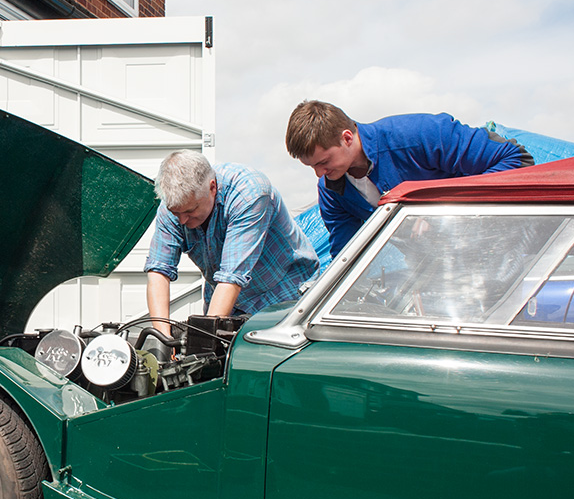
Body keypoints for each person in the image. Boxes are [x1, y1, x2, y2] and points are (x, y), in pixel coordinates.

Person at [286, 101, 534, 258]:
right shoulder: (332, 190)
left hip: (504, 251)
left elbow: (516, 159)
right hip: (437, 267)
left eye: (323, 162)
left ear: (347, 138)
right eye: (311, 167)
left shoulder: (418, 135)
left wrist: (441, 210)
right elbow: (347, 252)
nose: (319, 173)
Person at [143, 150, 319, 335]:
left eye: (191, 211)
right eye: (176, 213)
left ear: (212, 188)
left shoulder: (249, 193)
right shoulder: (171, 208)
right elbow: (158, 272)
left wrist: (204, 340)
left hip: (283, 294)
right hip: (226, 300)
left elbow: (232, 276)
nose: (182, 220)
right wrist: (162, 336)